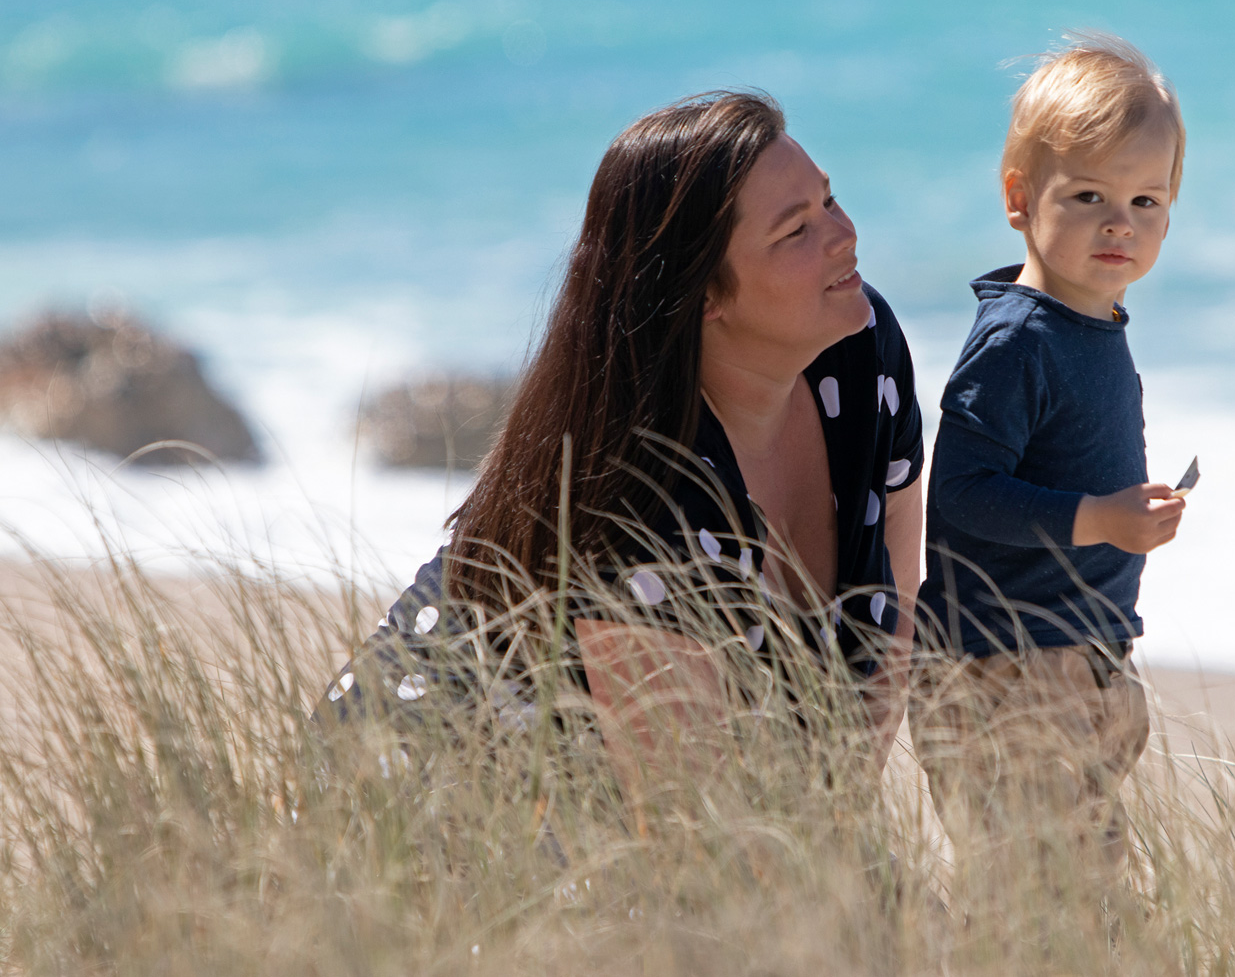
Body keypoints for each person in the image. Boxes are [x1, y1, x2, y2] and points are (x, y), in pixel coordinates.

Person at [316, 92, 924, 783]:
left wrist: (848, 815)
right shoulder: (639, 489)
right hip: (432, 808)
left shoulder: (860, 346)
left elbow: (898, 594)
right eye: (795, 231)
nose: (844, 233)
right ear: (705, 296)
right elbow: (684, 818)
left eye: (829, 198)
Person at [910, 36, 1186, 870]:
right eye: (1090, 195)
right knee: (1029, 904)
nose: (1119, 223)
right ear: (1020, 198)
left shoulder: (1093, 320)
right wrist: (1100, 518)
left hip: (1081, 662)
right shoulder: (1017, 337)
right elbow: (959, 492)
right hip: (1006, 671)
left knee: (1080, 901)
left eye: (1147, 202)